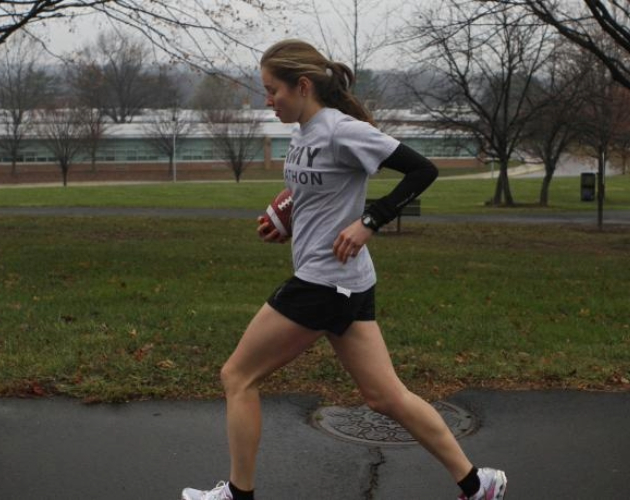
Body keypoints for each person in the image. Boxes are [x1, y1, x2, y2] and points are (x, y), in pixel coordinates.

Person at [181, 39, 507, 500]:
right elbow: (316, 190)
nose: (267, 100)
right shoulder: (303, 134)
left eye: (272, 90)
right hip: (347, 284)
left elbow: (422, 170)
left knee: (238, 376)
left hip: (323, 281)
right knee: (386, 398)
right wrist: (286, 216)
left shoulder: (341, 130)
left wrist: (369, 222)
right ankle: (479, 485)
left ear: (303, 85)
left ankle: (238, 495)